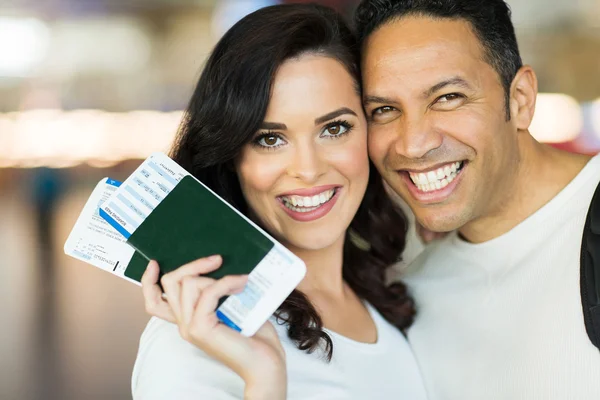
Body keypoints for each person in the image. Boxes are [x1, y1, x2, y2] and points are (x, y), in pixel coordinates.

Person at [132, 4, 428, 399]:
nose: (307, 170)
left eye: (335, 128)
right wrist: (263, 378)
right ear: (231, 157)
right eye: (270, 139)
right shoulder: (192, 342)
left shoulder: (381, 298)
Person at [354, 0, 600, 399]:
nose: (414, 144)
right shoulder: (411, 296)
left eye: (448, 97)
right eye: (383, 109)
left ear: (520, 98)